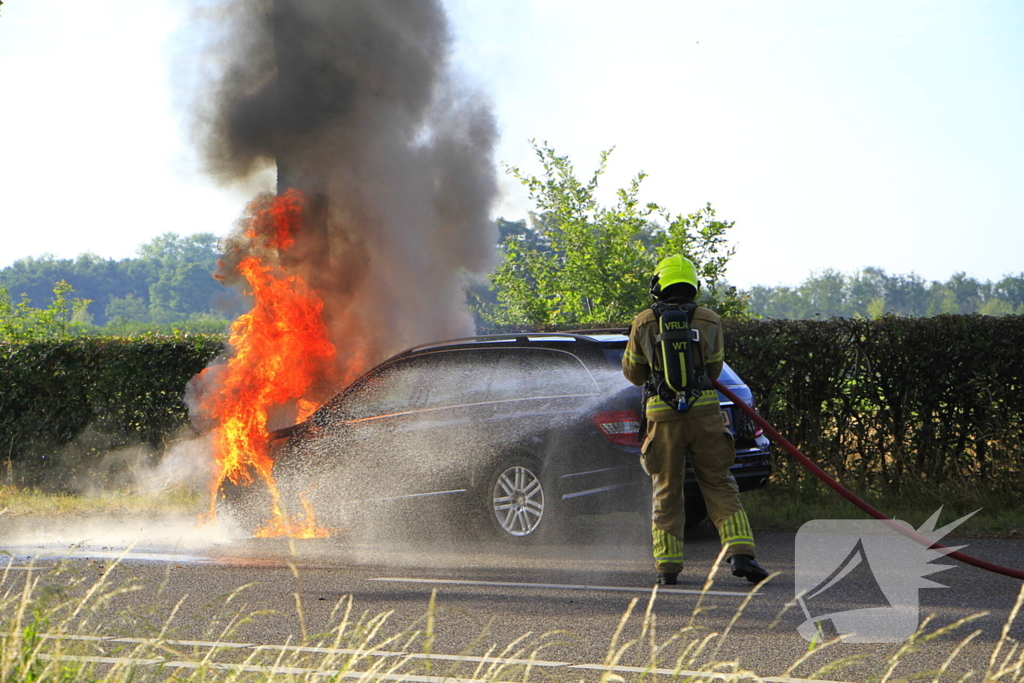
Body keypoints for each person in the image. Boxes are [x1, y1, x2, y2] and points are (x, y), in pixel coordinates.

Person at [622, 254, 769, 585]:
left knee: (666, 489)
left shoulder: (643, 321)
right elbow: (715, 370)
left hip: (662, 415)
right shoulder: (709, 319)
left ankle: (668, 567)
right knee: (719, 483)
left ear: (658, 285)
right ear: (692, 285)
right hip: (704, 410)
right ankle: (741, 554)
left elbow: (633, 374)